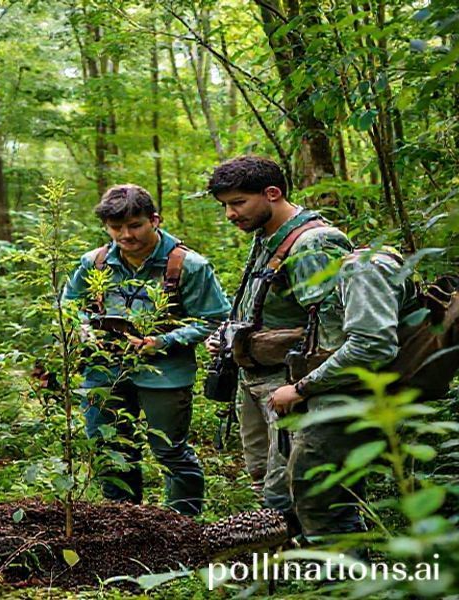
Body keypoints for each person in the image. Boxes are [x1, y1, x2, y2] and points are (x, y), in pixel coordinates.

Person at [64, 184, 230, 516]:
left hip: (165, 373)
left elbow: (216, 319)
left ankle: (183, 526)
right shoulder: (94, 262)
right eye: (116, 228)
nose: (125, 235)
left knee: (170, 452)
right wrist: (84, 330)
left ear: (155, 220)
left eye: (135, 225)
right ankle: (122, 520)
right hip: (104, 369)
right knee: (109, 448)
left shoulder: (189, 265)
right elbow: (69, 304)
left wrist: (163, 341)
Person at [204, 155, 353, 512]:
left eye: (238, 203)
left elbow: (333, 334)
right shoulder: (268, 237)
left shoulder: (312, 244)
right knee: (263, 482)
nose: (230, 214)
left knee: (295, 492)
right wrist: (228, 336)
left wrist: (305, 388)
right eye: (225, 206)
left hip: (291, 386)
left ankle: (316, 564)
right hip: (257, 379)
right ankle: (280, 558)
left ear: (272, 193)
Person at [267, 247, 419, 537]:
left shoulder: (363, 269)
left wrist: (301, 388)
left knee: (322, 502)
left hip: (357, 398)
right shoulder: (351, 273)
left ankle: (345, 578)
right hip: (352, 396)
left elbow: (370, 345)